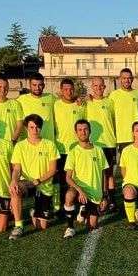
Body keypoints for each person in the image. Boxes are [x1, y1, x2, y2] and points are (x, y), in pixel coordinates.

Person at [9, 114, 59, 240]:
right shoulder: (20, 146)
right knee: (15, 189)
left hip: (43, 184)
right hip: (27, 183)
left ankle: (34, 211)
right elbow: (17, 168)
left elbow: (53, 170)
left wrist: (38, 180)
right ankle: (18, 225)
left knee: (42, 226)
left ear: (41, 128)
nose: (34, 130)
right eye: (31, 127)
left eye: (37, 127)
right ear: (26, 128)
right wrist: (14, 181)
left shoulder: (49, 144)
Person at [63, 120, 109, 237]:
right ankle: (70, 227)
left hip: (95, 195)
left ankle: (83, 211)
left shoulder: (98, 150)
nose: (83, 132)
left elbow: (104, 174)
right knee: (69, 195)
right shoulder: (73, 152)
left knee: (92, 227)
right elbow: (68, 178)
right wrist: (80, 190)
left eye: (85, 129)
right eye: (80, 130)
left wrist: (104, 196)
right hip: (79, 191)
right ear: (76, 133)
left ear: (90, 131)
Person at [54, 78, 86, 212]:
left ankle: (80, 204)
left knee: (78, 178)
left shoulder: (80, 105)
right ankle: (62, 207)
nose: (68, 91)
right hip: (61, 148)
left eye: (71, 89)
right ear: (61, 90)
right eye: (65, 89)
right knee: (62, 180)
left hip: (77, 150)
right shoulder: (54, 104)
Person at [87, 77, 118, 212]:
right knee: (97, 174)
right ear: (92, 87)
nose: (98, 88)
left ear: (105, 87)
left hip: (109, 142)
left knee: (109, 173)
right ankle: (98, 199)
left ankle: (111, 200)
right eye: (95, 85)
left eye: (101, 86)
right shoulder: (86, 103)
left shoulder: (111, 102)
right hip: (94, 144)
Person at [108, 68, 138, 151]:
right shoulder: (113, 95)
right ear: (120, 79)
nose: (127, 80)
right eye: (124, 78)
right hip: (122, 137)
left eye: (129, 78)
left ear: (132, 79)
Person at [16, 73, 56, 141]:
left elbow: (65, 102)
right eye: (34, 85)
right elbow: (7, 103)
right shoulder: (21, 100)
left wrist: (76, 99)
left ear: (44, 85)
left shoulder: (51, 98)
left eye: (40, 85)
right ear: (30, 85)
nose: (37, 88)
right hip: (28, 144)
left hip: (48, 142)